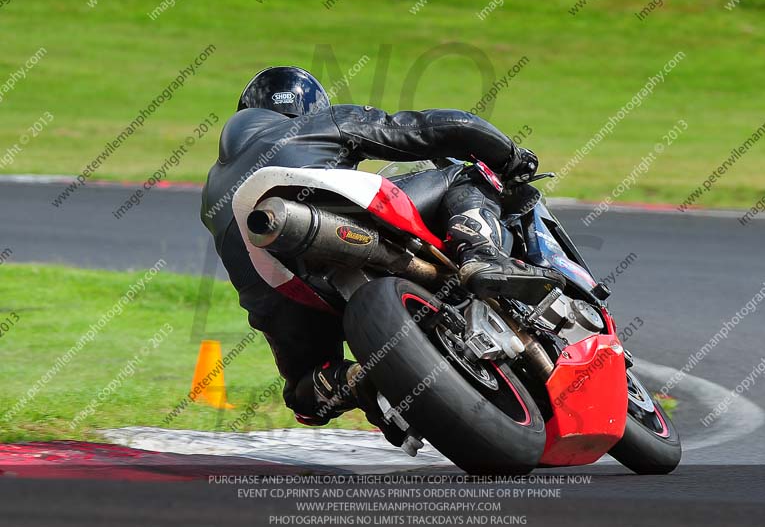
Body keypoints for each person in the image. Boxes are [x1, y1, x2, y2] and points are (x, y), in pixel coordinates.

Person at [200, 66, 563, 442]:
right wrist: (509, 154)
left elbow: (307, 411)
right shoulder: (322, 122)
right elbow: (432, 128)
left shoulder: (213, 188)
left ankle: (352, 381)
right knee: (469, 175)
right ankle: (481, 252)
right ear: (310, 106)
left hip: (274, 282)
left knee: (304, 392)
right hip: (322, 227)